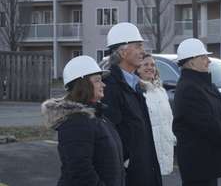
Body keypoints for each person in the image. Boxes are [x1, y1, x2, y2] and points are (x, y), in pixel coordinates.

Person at [41, 55, 125, 186]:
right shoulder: (76, 122)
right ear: (83, 85)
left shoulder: (98, 117)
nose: (103, 84)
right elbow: (80, 171)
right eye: (97, 80)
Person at [173, 38, 221, 186]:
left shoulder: (202, 85)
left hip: (206, 165)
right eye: (203, 57)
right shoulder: (190, 89)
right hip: (199, 166)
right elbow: (210, 125)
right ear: (191, 62)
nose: (208, 60)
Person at [101, 22, 162, 186]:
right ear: (122, 51)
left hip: (144, 169)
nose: (143, 51)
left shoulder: (135, 85)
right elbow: (111, 134)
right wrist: (128, 161)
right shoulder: (110, 87)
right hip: (129, 174)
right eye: (138, 46)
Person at [136, 54, 175, 175]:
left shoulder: (161, 91)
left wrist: (172, 139)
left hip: (164, 149)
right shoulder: (135, 91)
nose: (150, 67)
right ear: (137, 69)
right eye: (145, 64)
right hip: (146, 153)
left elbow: (169, 120)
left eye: (152, 65)